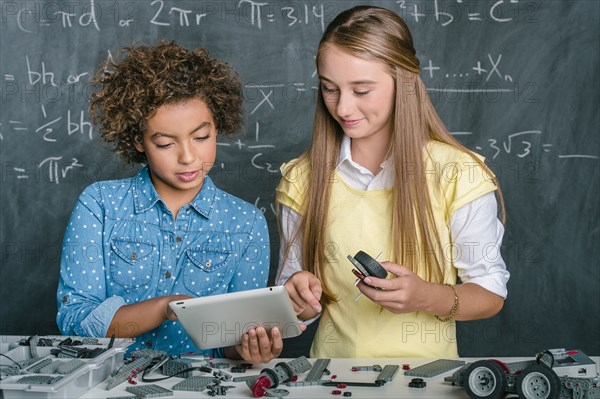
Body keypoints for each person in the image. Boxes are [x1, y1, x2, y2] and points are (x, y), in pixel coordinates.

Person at [276, 6, 510, 358]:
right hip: (329, 379)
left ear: (403, 82)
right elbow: (298, 311)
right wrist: (297, 298)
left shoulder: (456, 173)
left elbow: (490, 294)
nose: (342, 108)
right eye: (330, 89)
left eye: (362, 90)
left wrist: (426, 296)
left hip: (428, 382)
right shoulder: (301, 179)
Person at [56, 41, 281, 363]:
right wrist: (165, 308)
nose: (188, 157)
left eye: (201, 138)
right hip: (106, 380)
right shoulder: (100, 205)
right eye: (164, 143)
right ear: (138, 140)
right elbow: (76, 321)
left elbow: (233, 342)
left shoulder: (246, 223)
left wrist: (251, 348)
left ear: (217, 126)